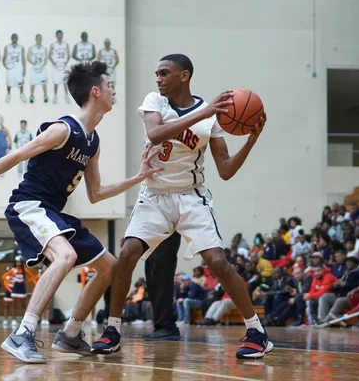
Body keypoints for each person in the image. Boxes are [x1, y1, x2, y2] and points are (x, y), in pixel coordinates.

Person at [0, 61, 161, 363]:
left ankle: (71, 333)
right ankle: (23, 334)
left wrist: (137, 178)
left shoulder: (92, 141)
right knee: (66, 256)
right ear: (96, 91)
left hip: (52, 211)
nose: (114, 90)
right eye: (110, 85)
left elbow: (96, 194)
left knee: (111, 267)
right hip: (28, 204)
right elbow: (15, 155)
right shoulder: (63, 129)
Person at [92, 53, 271, 359]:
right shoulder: (155, 102)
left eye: (164, 73)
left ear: (184, 75)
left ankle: (256, 331)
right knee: (127, 254)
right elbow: (155, 133)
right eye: (157, 74)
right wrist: (205, 114)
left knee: (217, 262)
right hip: (155, 196)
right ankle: (112, 329)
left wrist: (251, 141)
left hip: (191, 196)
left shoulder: (211, 117)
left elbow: (225, 170)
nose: (158, 79)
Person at [4, 256, 38, 326]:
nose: (18, 263)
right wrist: (11, 279)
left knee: (23, 305)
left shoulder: (24, 270)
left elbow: (32, 276)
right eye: (17, 262)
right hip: (15, 287)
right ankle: (13, 319)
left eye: (19, 262)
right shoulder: (13, 270)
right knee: (14, 305)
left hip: (22, 288)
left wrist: (28, 281)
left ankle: (24, 320)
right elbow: (4, 276)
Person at [3, 33, 26, 103]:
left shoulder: (21, 47)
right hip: (10, 69)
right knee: (9, 83)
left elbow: (23, 59)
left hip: (18, 68)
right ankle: (8, 94)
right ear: (11, 38)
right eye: (13, 37)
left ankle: (21, 94)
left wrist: (24, 69)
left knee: (20, 83)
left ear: (17, 38)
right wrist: (5, 65)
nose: (14, 38)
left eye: (15, 37)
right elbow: (4, 58)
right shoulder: (7, 47)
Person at [49, 30, 71, 104]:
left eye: (61, 35)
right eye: (58, 35)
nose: (60, 36)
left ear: (62, 35)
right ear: (56, 36)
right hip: (56, 65)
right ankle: (55, 96)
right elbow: (49, 55)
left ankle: (66, 95)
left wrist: (66, 62)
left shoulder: (65, 44)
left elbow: (68, 55)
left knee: (65, 81)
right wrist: (53, 62)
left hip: (63, 65)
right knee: (56, 81)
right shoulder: (53, 45)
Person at [27, 34, 48, 104]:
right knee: (33, 82)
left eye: (40, 38)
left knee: (44, 82)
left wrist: (43, 64)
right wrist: (33, 63)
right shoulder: (31, 48)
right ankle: (32, 96)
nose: (39, 39)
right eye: (38, 38)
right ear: (36, 39)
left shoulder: (44, 48)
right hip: (34, 68)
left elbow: (46, 58)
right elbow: (28, 57)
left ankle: (45, 95)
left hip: (42, 68)